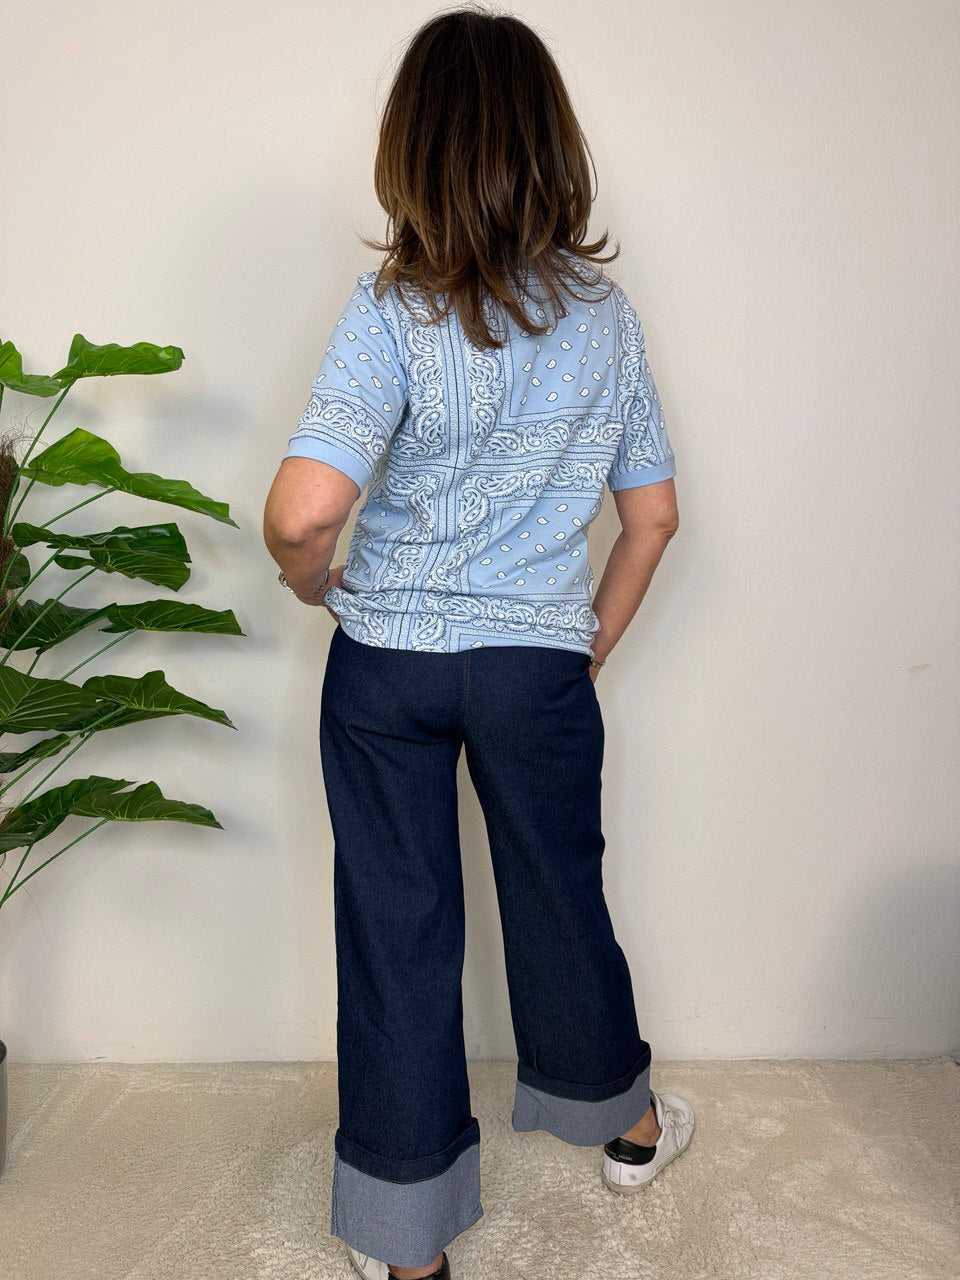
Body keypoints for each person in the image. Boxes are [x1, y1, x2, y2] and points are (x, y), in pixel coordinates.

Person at [262, 6, 694, 1278]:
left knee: (396, 931)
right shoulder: (605, 315)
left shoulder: (390, 309)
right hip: (534, 669)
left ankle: (409, 1247)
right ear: (551, 146)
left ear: (413, 148)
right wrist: (582, 646)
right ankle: (631, 1126)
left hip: (386, 665)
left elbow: (302, 512)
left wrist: (312, 583)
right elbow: (655, 516)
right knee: (561, 892)